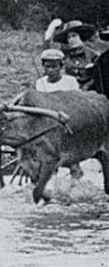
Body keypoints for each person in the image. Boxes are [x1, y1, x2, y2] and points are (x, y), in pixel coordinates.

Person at [33, 48, 83, 179]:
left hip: (68, 124)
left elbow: (77, 103)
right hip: (48, 127)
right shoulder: (40, 83)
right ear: (43, 67)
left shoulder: (70, 82)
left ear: (61, 66)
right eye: (47, 67)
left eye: (54, 67)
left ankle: (76, 183)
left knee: (72, 161)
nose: (50, 70)